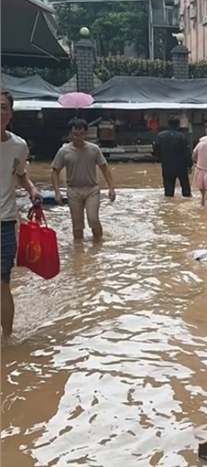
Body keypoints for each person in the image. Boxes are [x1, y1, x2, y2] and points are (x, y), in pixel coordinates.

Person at [1, 90, 43, 337]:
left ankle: (6, 341)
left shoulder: (19, 146)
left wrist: (32, 189)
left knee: (3, 281)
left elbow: (19, 174)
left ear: (10, 113)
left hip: (5, 222)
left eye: (3, 107)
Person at [52, 118, 116, 241]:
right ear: (70, 134)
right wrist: (57, 192)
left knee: (93, 219)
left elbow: (105, 169)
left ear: (85, 134)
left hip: (92, 189)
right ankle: (79, 250)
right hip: (73, 190)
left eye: (81, 134)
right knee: (77, 225)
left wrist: (111, 188)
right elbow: (55, 171)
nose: (78, 137)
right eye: (75, 134)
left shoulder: (94, 149)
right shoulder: (64, 151)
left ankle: (98, 245)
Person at [153, 114, 192, 198]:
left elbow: (156, 150)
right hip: (181, 166)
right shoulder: (182, 137)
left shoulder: (161, 136)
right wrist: (189, 165)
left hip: (167, 166)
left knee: (168, 192)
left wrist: (162, 158)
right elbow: (187, 152)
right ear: (178, 125)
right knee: (186, 191)